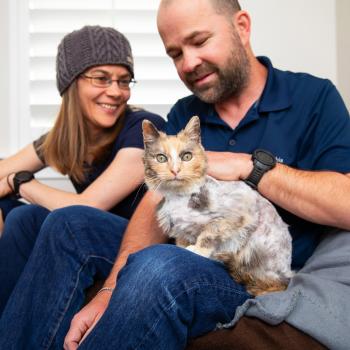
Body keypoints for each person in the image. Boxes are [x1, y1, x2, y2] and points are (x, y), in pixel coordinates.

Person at [0, 1, 350, 349]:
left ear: (242, 27)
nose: (189, 63)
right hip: (190, 243)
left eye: (199, 41)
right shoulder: (186, 112)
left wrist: (250, 166)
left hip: (247, 266)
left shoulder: (313, 98)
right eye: (175, 53)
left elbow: (345, 203)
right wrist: (110, 286)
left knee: (160, 265)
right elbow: (156, 202)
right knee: (68, 223)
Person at [0, 25, 164, 314]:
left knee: (27, 216)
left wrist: (21, 181)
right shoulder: (66, 139)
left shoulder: (144, 128)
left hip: (139, 242)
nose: (116, 92)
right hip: (85, 237)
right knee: (9, 208)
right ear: (71, 84)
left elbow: (86, 207)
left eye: (124, 81)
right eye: (101, 78)